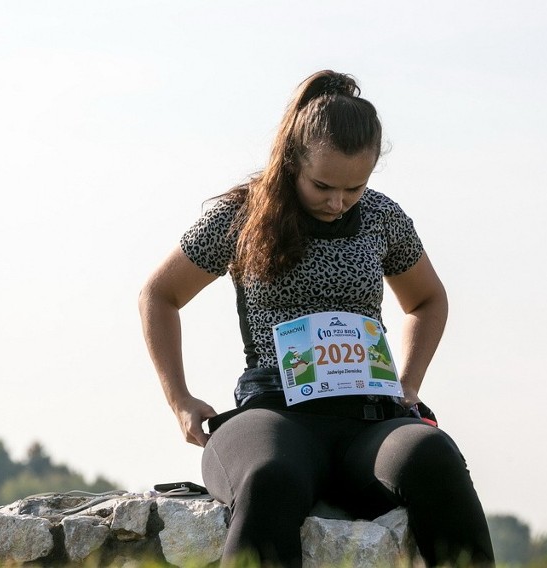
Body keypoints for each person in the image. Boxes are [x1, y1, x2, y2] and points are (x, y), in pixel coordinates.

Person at [139, 70, 494, 567]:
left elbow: (428, 301)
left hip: (371, 420)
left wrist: (408, 384)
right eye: (323, 185)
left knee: (434, 456)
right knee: (270, 479)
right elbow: (159, 295)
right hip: (273, 417)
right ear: (293, 161)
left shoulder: (383, 217)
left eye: (355, 187)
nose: (338, 202)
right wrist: (179, 400)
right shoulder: (240, 216)